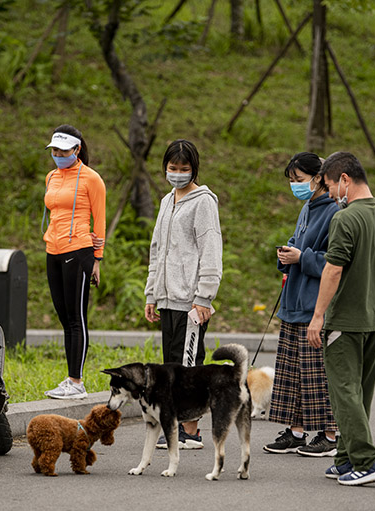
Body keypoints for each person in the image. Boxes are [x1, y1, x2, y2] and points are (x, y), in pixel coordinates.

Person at [308, 151, 375, 486]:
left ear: (345, 181)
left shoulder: (345, 219)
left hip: (346, 320)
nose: (330, 193)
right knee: (360, 392)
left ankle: (367, 461)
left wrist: (318, 315)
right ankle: (346, 457)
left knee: (343, 391)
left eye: (329, 185)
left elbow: (333, 269)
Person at [144, 139, 222, 450]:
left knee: (189, 366)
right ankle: (179, 425)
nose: (177, 174)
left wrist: (204, 296)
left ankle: (191, 429)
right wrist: (152, 294)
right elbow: (157, 251)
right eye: (172, 168)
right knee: (172, 365)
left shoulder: (204, 202)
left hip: (191, 299)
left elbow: (211, 251)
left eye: (184, 169)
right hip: (167, 298)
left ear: (194, 170)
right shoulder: (166, 201)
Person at [262, 152, 340, 457]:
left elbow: (335, 263)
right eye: (292, 181)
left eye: (299, 180)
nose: (295, 186)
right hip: (293, 300)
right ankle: (295, 432)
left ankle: (329, 435)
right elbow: (298, 243)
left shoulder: (335, 211)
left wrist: (301, 258)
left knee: (316, 374)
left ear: (319, 177)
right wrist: (287, 256)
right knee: (292, 371)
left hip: (314, 304)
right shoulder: (307, 207)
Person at [42, 124, 106, 400]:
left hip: (79, 251)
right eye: (55, 149)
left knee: (76, 318)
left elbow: (99, 221)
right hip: (53, 250)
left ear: (77, 149)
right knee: (64, 318)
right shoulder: (51, 177)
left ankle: (76, 381)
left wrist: (97, 260)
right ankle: (70, 379)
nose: (58, 154)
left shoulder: (92, 179)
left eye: (63, 150)